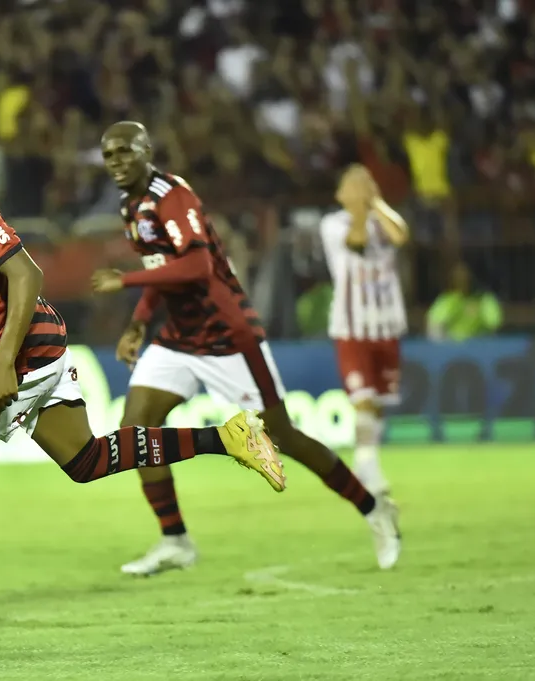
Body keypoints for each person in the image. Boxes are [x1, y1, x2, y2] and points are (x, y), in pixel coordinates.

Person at [0, 110, 286, 642]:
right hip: (24, 347)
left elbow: (27, 272)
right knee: (86, 461)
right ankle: (226, 438)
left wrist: (2, 366)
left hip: (20, 351)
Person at [90, 122, 400, 577]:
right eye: (108, 155)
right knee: (136, 428)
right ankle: (175, 540)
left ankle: (375, 510)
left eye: (124, 151)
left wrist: (125, 280)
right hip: (178, 335)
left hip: (226, 334)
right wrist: (138, 322)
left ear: (146, 151)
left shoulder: (172, 195)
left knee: (283, 437)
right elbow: (162, 269)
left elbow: (195, 266)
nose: (116, 161)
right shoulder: (129, 205)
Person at [320, 164, 409, 497]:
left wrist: (376, 203)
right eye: (353, 184)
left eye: (367, 182)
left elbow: (401, 234)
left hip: (387, 324)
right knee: (364, 400)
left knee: (381, 401)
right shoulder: (332, 224)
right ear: (340, 194)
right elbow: (356, 243)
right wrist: (361, 207)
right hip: (351, 326)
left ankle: (364, 464)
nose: (361, 187)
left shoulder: (383, 220)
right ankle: (369, 470)